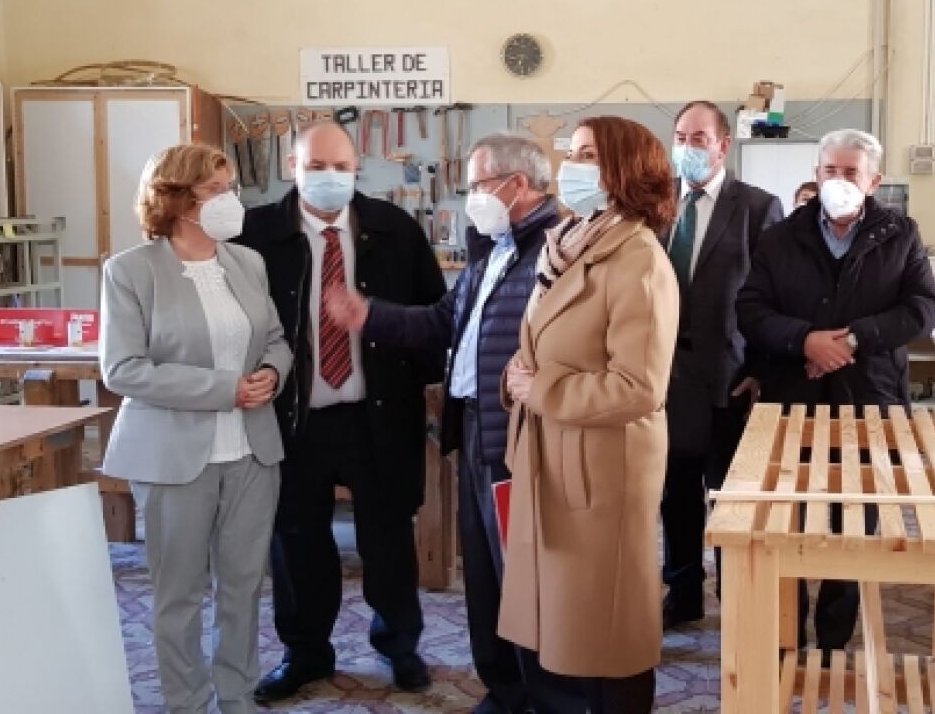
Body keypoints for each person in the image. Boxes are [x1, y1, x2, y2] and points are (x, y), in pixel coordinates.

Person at [324, 134, 583, 714]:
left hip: (521, 443)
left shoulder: (557, 252)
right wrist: (370, 316)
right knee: (486, 579)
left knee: (528, 583)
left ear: (517, 185)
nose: (471, 197)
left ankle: (547, 699)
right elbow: (444, 322)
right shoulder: (492, 249)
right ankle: (504, 690)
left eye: (478, 184)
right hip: (474, 436)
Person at [233, 121, 447, 703]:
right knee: (296, 539)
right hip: (292, 418)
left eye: (341, 167)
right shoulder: (254, 235)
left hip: (378, 413)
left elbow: (433, 317)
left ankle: (399, 644)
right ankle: (305, 652)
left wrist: (423, 385)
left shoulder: (396, 229)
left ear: (357, 170)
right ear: (292, 167)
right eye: (316, 167)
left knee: (388, 536)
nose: (329, 177)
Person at [99, 144, 292, 714]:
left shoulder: (248, 262)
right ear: (179, 199)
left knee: (244, 586)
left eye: (231, 188)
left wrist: (271, 372)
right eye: (216, 189)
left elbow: (276, 340)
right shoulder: (130, 271)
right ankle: (186, 703)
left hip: (253, 450)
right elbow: (123, 370)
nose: (231, 200)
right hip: (172, 455)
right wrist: (223, 389)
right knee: (178, 594)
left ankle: (237, 697)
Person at [499, 116, 679, 714]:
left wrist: (542, 388)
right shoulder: (569, 243)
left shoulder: (638, 259)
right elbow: (542, 341)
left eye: (589, 156)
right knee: (563, 623)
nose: (572, 167)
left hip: (603, 469)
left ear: (626, 169)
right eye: (572, 153)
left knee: (607, 632)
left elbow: (639, 387)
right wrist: (518, 377)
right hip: (554, 454)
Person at [735, 129, 935, 651]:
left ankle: (833, 638)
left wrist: (852, 340)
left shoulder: (901, 234)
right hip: (793, 396)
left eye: (851, 172)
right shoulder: (781, 237)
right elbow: (751, 310)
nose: (838, 180)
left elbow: (921, 309)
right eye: (830, 170)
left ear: (874, 180)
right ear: (816, 174)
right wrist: (804, 340)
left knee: (854, 522)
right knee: (787, 519)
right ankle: (785, 635)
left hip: (867, 397)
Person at [660, 101, 783, 629]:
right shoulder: (657, 203)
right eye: (681, 137)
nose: (688, 147)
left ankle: (736, 598)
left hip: (728, 377)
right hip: (663, 377)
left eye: (699, 138)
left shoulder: (757, 207)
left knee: (729, 495)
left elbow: (773, 295)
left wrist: (762, 367)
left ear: (723, 145)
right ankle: (682, 591)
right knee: (674, 493)